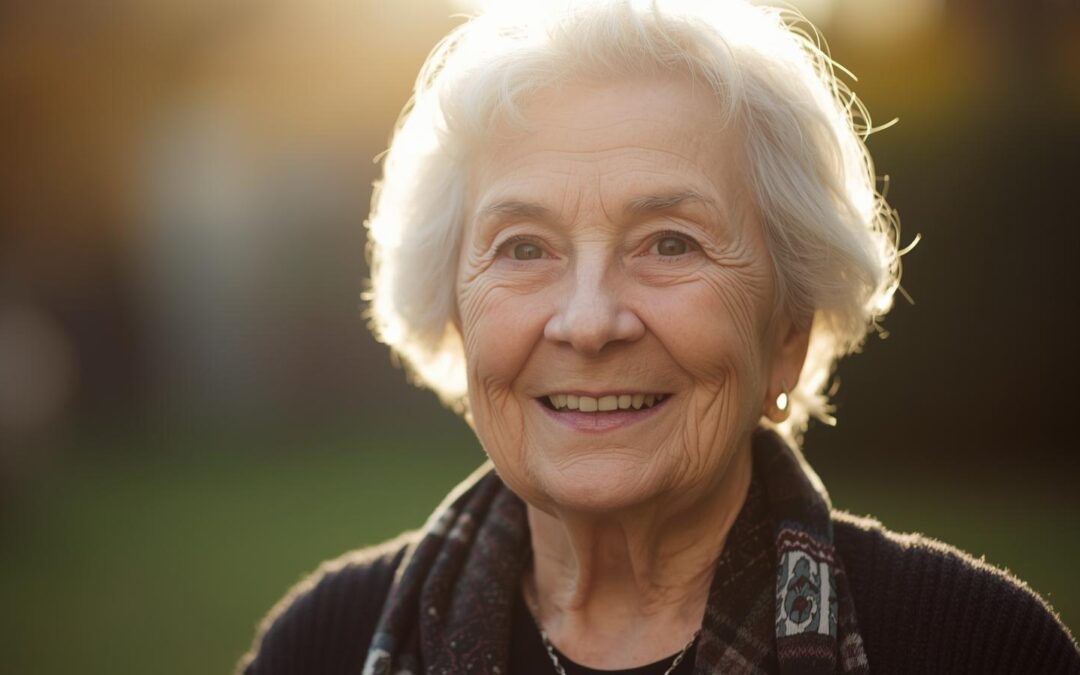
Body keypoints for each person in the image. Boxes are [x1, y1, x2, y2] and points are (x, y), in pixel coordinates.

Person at [237, 1, 1079, 673]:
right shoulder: (323, 647)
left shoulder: (974, 649)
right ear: (455, 316)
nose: (591, 321)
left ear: (788, 328)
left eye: (669, 243)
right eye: (524, 248)